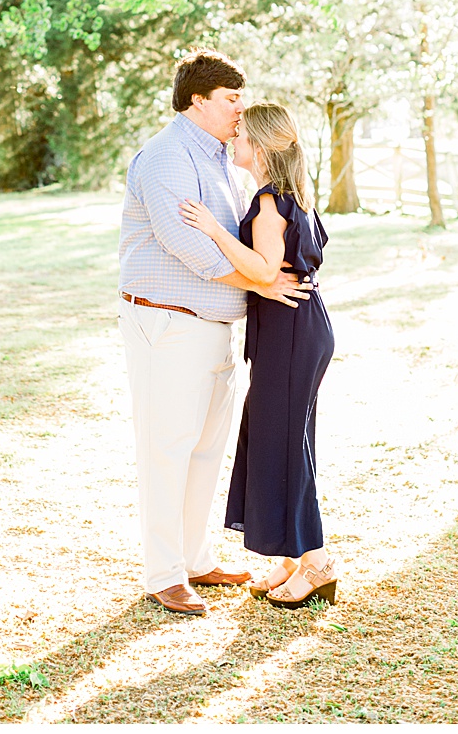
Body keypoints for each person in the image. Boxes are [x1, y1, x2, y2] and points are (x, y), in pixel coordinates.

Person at [117, 50, 310, 617]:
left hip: (215, 327)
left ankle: (196, 559)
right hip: (169, 321)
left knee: (204, 451)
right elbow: (189, 246)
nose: (240, 109)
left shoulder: (223, 158)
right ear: (197, 101)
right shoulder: (166, 157)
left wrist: (261, 279)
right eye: (231, 99)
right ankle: (164, 574)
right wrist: (266, 284)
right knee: (167, 449)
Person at [180, 101, 339, 608]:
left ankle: (317, 563)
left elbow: (267, 270)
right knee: (278, 439)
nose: (235, 140)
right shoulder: (292, 196)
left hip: (291, 332)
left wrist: (213, 229)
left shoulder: (270, 202)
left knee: (285, 444)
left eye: (243, 134)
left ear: (263, 147)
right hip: (295, 329)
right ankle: (292, 558)